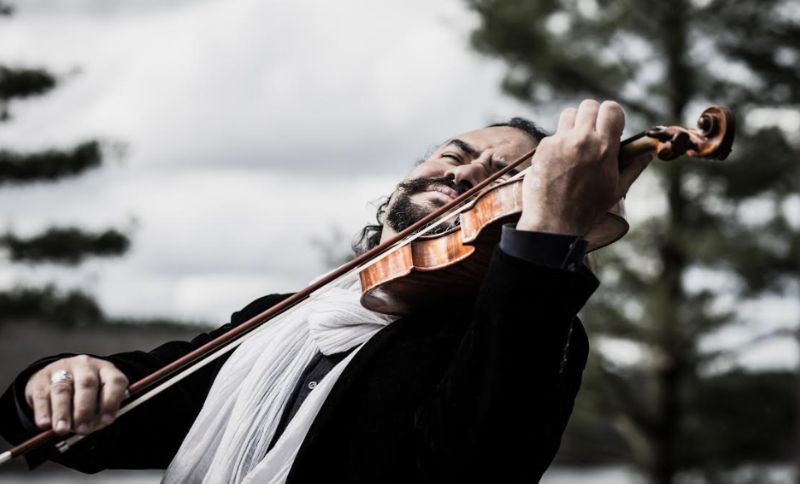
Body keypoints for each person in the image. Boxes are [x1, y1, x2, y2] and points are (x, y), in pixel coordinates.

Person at [0, 100, 650, 483]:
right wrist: (56, 381)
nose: (471, 167)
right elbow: (127, 410)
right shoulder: (285, 321)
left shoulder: (512, 343)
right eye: (456, 151)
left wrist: (548, 237)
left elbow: (475, 462)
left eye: (506, 174)